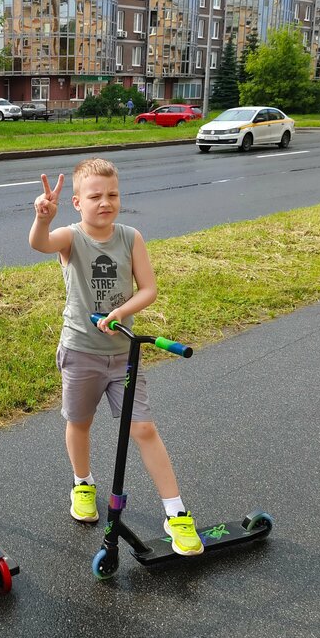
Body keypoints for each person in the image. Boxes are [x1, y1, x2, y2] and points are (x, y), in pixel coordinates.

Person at [28, 157, 203, 556]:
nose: (105, 202)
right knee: (79, 422)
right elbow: (40, 243)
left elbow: (149, 289)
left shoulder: (130, 237)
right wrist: (42, 218)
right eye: (95, 196)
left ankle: (176, 512)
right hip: (81, 352)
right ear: (77, 202)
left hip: (124, 354)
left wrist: (121, 312)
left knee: (144, 429)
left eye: (113, 194)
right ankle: (82, 484)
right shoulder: (71, 238)